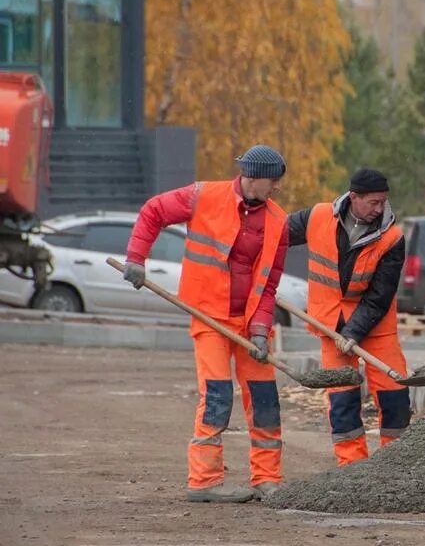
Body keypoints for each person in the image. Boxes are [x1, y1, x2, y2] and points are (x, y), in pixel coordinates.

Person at [123, 145, 289, 503]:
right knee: (216, 395)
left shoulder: (278, 221)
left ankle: (267, 478)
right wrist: (136, 259)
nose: (277, 188)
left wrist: (260, 330)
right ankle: (205, 481)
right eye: (273, 181)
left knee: (265, 400)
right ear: (253, 177)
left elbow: (269, 283)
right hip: (209, 316)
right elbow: (153, 211)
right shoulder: (203, 196)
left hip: (249, 324)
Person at [287, 168, 410, 466]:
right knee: (342, 398)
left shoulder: (392, 237)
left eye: (383, 202)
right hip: (331, 324)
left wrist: (354, 332)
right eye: (373, 202)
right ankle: (352, 466)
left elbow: (380, 296)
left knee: (394, 394)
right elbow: (274, 235)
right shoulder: (317, 217)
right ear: (354, 197)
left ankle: (395, 463)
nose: (379, 209)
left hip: (376, 326)